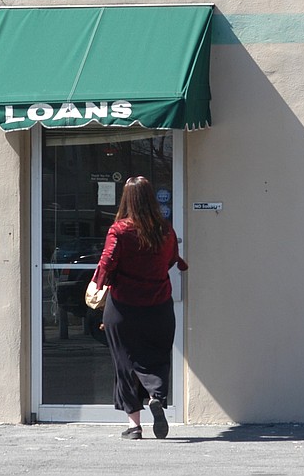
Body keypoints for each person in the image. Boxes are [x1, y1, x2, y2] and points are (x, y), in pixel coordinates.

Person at [91, 176, 188, 440]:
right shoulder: (165, 230)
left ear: (126, 199)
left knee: (125, 362)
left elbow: (108, 261)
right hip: (159, 305)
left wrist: (98, 282)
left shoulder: (120, 230)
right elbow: (170, 260)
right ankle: (156, 395)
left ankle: (135, 426)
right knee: (156, 355)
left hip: (123, 306)